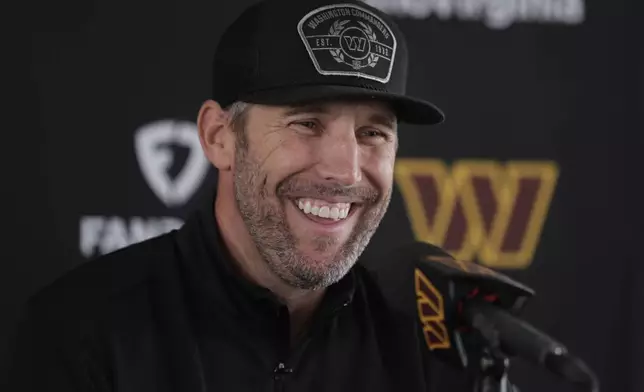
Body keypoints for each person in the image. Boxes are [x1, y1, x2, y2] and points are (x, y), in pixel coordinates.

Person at [4, 0, 472, 390]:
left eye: (373, 133)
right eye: (307, 123)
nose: (345, 169)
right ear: (218, 136)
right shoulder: (82, 330)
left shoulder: (427, 340)